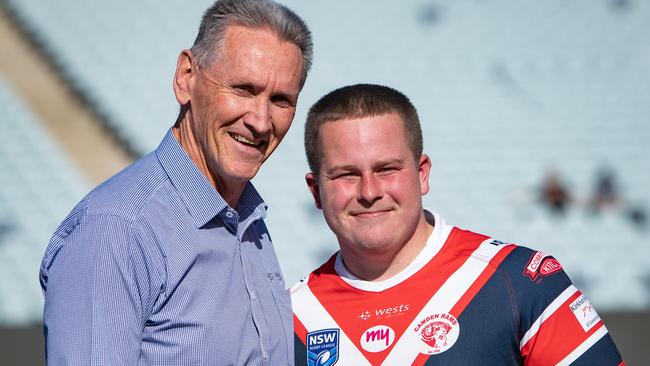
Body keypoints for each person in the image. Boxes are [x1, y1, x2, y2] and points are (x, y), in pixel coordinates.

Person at [39, 1, 312, 365]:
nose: (261, 122)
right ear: (186, 78)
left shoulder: (248, 223)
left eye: (281, 100)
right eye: (244, 89)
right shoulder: (116, 230)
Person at [291, 84, 624, 365]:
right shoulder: (289, 316)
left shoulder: (519, 281)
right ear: (316, 190)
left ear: (422, 174)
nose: (369, 191)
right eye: (346, 174)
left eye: (387, 169)